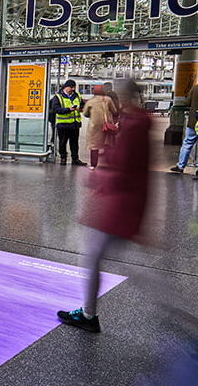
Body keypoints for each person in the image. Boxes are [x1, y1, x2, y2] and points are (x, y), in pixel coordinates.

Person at [59, 79, 151, 333]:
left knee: (95, 258)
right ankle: (88, 312)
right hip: (124, 203)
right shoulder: (137, 123)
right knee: (104, 257)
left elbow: (124, 170)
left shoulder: (133, 128)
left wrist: (98, 179)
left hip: (117, 205)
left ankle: (89, 315)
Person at [82, 84, 118, 169]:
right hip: (107, 125)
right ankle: (110, 163)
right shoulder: (108, 100)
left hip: (94, 126)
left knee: (94, 146)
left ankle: (93, 165)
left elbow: (85, 114)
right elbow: (114, 111)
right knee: (108, 143)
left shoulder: (90, 101)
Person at [50, 79, 85, 166]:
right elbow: (55, 109)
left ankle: (75, 159)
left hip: (74, 124)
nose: (73, 89)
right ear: (66, 87)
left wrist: (80, 108)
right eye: (72, 87)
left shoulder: (77, 96)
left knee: (74, 143)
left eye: (74, 88)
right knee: (62, 143)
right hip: (63, 125)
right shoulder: (58, 97)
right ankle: (63, 158)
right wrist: (68, 110)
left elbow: (82, 105)